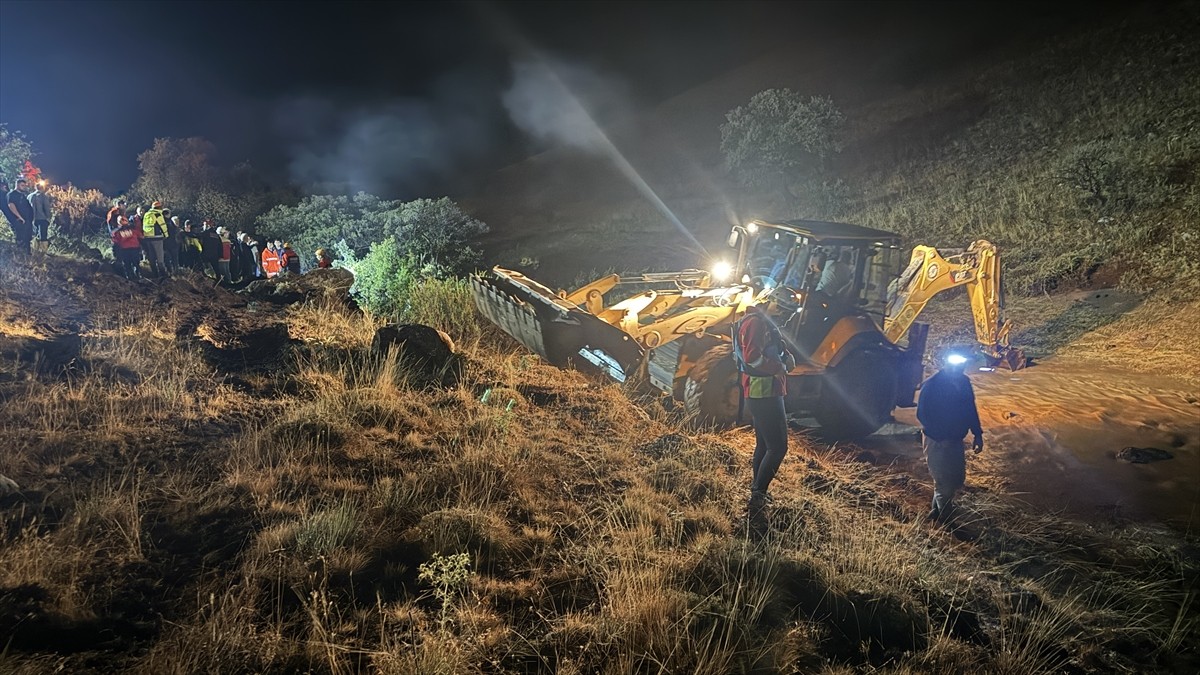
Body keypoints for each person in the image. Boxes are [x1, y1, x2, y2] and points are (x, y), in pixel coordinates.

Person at [735, 302, 796, 533]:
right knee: (778, 447)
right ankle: (758, 495)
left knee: (764, 444)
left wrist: (785, 358)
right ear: (776, 306)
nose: (786, 318)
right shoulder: (756, 323)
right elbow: (752, 358)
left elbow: (770, 348)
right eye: (785, 312)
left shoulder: (761, 322)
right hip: (764, 391)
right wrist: (778, 367)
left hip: (763, 390)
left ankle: (757, 492)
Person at [916, 352, 984, 523]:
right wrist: (941, 437)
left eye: (961, 365)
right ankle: (947, 521)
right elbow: (922, 415)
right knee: (943, 480)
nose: (959, 368)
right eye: (955, 365)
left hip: (954, 439)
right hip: (936, 440)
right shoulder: (932, 385)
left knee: (955, 478)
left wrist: (977, 434)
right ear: (945, 364)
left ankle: (936, 512)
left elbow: (970, 409)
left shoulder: (964, 382)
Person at [6, 177, 35, 258]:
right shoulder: (12, 194)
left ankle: (28, 255)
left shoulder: (23, 195)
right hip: (19, 220)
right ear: (17, 185)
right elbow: (11, 205)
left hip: (27, 220)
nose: (24, 187)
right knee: (21, 238)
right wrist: (20, 217)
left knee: (28, 238)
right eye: (22, 185)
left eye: (25, 185)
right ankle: (20, 257)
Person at [141, 201, 168, 278]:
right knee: (160, 258)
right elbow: (163, 225)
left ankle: (155, 275)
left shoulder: (147, 214)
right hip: (157, 238)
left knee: (152, 258)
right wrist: (166, 235)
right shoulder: (158, 214)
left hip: (147, 238)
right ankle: (163, 276)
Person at [111, 215, 143, 280]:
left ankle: (130, 278)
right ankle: (138, 277)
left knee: (127, 265)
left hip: (124, 250)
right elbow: (141, 236)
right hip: (134, 248)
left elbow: (115, 243)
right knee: (135, 264)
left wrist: (116, 253)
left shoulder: (116, 232)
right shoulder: (133, 229)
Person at [28, 181, 52, 256]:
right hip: (42, 218)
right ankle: (43, 252)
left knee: (35, 235)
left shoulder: (29, 196)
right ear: (43, 188)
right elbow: (47, 208)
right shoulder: (43, 196)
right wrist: (48, 218)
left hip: (31, 219)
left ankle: (34, 251)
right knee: (43, 235)